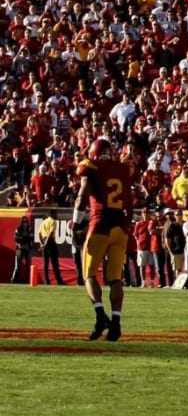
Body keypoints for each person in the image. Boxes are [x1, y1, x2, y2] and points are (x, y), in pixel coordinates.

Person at [73, 136, 133, 341]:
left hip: (100, 225)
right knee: (115, 278)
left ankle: (100, 316)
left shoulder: (91, 166)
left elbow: (82, 195)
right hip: (121, 227)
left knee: (89, 274)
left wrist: (76, 222)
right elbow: (130, 200)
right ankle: (116, 323)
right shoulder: (123, 169)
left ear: (94, 152)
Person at [37, 213, 64, 286]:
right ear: (53, 215)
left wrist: (41, 244)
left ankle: (46, 281)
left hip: (44, 240)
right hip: (50, 242)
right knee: (55, 263)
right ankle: (59, 281)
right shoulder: (53, 221)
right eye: (56, 215)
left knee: (45, 264)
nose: (57, 216)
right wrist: (45, 245)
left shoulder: (43, 222)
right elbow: (50, 233)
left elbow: (39, 234)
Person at [12, 212, 34, 284]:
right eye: (23, 222)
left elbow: (31, 238)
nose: (25, 223)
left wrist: (23, 238)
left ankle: (28, 280)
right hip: (19, 249)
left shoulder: (30, 229)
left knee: (29, 266)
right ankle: (14, 280)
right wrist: (25, 238)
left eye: (26, 222)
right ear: (21, 223)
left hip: (28, 249)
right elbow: (17, 239)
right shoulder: (18, 229)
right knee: (17, 266)